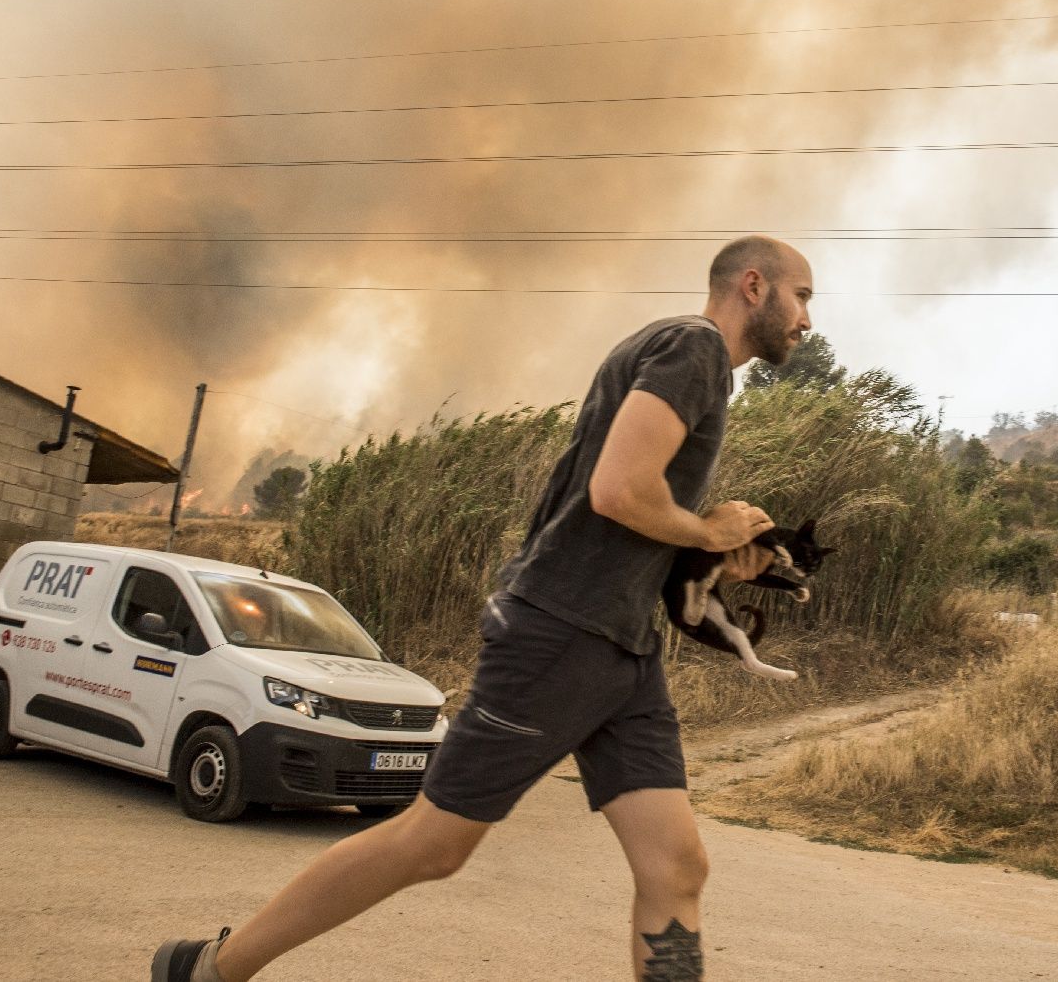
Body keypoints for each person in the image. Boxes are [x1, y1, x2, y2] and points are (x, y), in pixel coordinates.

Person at [154, 234, 815, 982]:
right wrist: (708, 527)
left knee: (677, 864)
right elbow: (617, 490)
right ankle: (212, 969)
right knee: (433, 843)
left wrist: (716, 553)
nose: (807, 320)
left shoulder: (688, 362)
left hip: (625, 650)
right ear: (753, 286)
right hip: (562, 631)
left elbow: (628, 512)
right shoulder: (692, 348)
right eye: (802, 297)